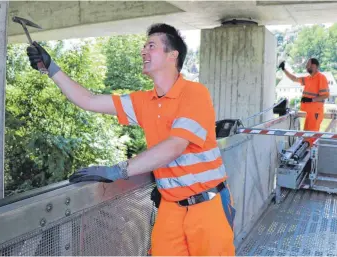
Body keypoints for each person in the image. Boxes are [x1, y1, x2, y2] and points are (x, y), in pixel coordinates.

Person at [27, 23, 235, 256]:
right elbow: (89, 100)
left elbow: (176, 145)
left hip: (208, 207)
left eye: (151, 46)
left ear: (172, 55)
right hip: (171, 207)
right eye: (144, 46)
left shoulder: (194, 93)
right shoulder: (144, 102)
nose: (143, 51)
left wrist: (119, 170)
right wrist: (51, 67)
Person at [279, 58, 330, 146]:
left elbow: (326, 95)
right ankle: (307, 153)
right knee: (307, 135)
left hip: (316, 112)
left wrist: (311, 100)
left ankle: (310, 155)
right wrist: (284, 69)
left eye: (308, 65)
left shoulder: (321, 78)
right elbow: (294, 79)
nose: (306, 67)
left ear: (314, 66)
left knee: (311, 136)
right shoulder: (308, 78)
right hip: (310, 112)